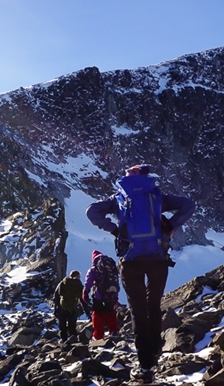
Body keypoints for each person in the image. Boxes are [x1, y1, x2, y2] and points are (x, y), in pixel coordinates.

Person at [86, 164, 195, 383]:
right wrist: (170, 226)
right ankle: (155, 352)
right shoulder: (156, 195)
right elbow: (189, 205)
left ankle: (146, 368)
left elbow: (91, 211)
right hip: (158, 259)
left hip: (131, 261)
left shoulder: (119, 197)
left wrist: (114, 230)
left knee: (137, 311)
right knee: (153, 305)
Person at [82, 250, 120, 340]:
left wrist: (85, 292)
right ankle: (113, 330)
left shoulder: (94, 269)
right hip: (111, 294)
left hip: (98, 295)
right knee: (110, 312)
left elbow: (88, 282)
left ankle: (98, 334)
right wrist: (116, 298)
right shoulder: (111, 267)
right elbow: (115, 281)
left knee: (97, 314)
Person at [53, 270, 84, 342]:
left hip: (62, 306)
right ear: (77, 276)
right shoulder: (78, 284)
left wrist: (55, 308)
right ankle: (73, 340)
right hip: (73, 307)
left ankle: (63, 340)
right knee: (72, 325)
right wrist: (87, 311)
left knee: (62, 324)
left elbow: (56, 295)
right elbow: (82, 298)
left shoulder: (63, 282)